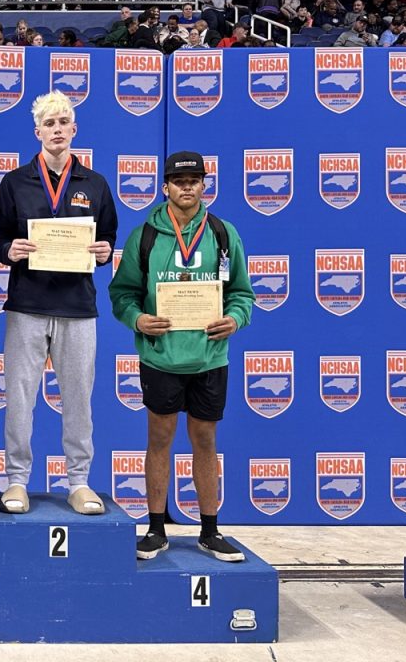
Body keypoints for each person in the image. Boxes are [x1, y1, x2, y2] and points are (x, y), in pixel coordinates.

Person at [108, 151, 254, 562]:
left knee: (205, 440)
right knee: (159, 439)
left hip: (210, 357)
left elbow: (242, 293)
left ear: (204, 185)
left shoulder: (223, 233)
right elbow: (122, 293)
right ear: (165, 187)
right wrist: (138, 319)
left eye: (194, 181)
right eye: (178, 181)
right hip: (161, 358)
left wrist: (234, 319)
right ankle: (156, 529)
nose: (186, 187)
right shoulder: (144, 236)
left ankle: (210, 530)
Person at [0, 91, 118, 516]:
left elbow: (108, 237)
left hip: (78, 307)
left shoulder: (95, 184)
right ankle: (17, 480)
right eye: (49, 123)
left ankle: (79, 481)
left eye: (63, 122)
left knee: (78, 399)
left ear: (74, 129)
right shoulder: (15, 182)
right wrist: (9, 250)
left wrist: (105, 251)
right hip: (27, 304)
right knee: (19, 397)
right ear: (37, 132)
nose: (57, 129)